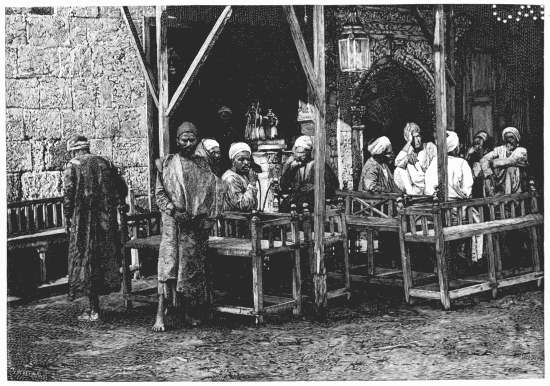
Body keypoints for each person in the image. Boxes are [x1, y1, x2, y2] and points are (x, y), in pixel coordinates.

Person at [153, 122, 225, 332]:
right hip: (173, 223)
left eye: (192, 139)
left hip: (193, 225)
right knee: (168, 266)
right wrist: (174, 210)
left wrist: (203, 216)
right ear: (177, 141)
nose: (188, 143)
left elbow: (212, 191)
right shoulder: (165, 164)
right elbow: (159, 193)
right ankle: (160, 314)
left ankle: (188, 311)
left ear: (197, 141)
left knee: (191, 269)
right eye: (184, 139)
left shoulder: (203, 165)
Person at [63, 135, 128, 322]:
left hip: (83, 222)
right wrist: (117, 204)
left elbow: (69, 194)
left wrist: (68, 217)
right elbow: (121, 188)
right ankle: (96, 307)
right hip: (105, 222)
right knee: (102, 259)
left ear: (74, 150)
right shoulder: (104, 162)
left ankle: (93, 309)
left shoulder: (72, 165)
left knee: (85, 259)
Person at [424, 131, 482, 267]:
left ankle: (452, 258)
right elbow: (467, 190)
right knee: (477, 220)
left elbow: (428, 189)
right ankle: (474, 257)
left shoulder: (435, 162)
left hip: (438, 212)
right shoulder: (462, 163)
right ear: (455, 147)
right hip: (458, 211)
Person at [279, 135, 339, 212]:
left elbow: (333, 184)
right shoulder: (294, 165)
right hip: (296, 200)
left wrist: (314, 187)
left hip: (314, 201)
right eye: (298, 152)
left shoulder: (318, 164)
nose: (300, 155)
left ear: (309, 152)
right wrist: (291, 169)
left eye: (302, 152)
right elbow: (283, 185)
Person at [480, 127, 528, 195]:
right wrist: (488, 173)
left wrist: (494, 162)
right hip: (499, 181)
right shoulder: (500, 149)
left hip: (516, 181)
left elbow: (512, 161)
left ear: (516, 138)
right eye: (506, 138)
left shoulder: (521, 150)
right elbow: (484, 159)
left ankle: (509, 196)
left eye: (511, 137)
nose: (509, 140)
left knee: (511, 169)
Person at [393, 122, 437, 195]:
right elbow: (397, 163)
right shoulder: (409, 150)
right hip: (416, 189)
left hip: (429, 186)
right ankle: (411, 195)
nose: (417, 140)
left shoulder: (429, 147)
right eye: (413, 138)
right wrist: (409, 142)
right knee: (398, 170)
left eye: (418, 136)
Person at [222, 142, 259, 212]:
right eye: (241, 159)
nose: (246, 163)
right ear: (233, 161)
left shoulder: (242, 176)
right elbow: (242, 205)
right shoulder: (230, 179)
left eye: (248, 159)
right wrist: (252, 184)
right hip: (234, 220)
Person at [465, 130, 491, 197]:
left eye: (479, 144)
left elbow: (488, 178)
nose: (477, 147)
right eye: (475, 144)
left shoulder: (486, 159)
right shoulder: (471, 160)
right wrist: (468, 155)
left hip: (484, 191)